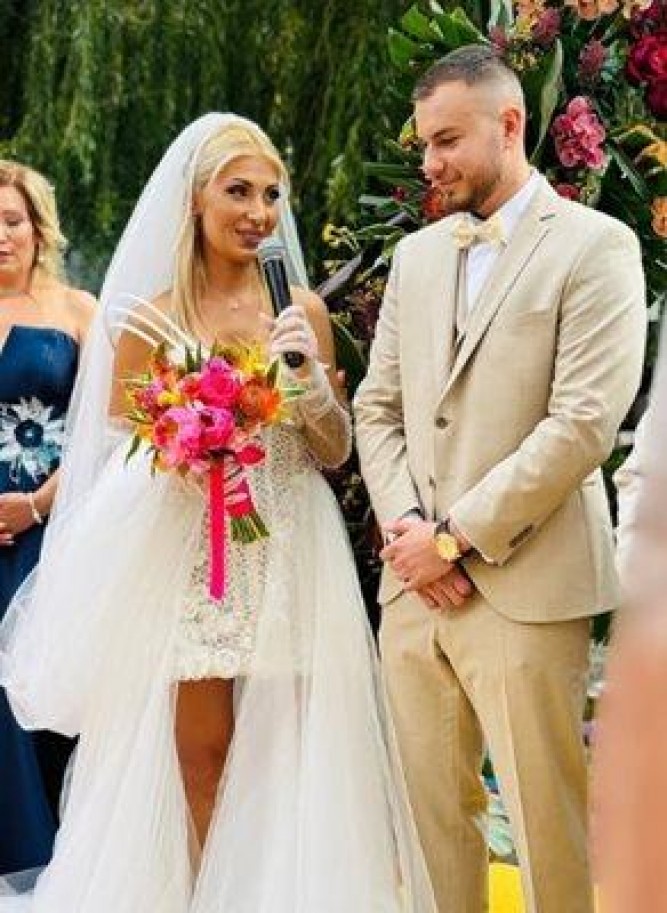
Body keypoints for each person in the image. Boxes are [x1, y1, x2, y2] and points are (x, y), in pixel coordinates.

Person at [0, 114, 436, 912]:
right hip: (191, 555)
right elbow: (115, 461)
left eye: (271, 195)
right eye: (238, 192)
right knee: (201, 755)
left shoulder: (297, 308)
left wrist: (306, 377)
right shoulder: (145, 321)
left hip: (290, 542)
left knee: (288, 751)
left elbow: (333, 448)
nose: (258, 212)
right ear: (195, 201)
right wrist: (186, 437)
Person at [353, 45, 646, 913]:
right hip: (413, 590)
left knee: (545, 827)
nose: (429, 163)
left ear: (509, 124)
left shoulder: (597, 247)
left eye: (446, 141)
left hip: (527, 582)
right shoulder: (414, 258)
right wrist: (410, 531)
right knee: (432, 825)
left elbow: (582, 423)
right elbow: (377, 408)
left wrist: (453, 540)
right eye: (422, 145)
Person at [0, 160, 93, 875]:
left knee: (46, 684)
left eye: (12, 220)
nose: (1, 236)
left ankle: (58, 861)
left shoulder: (78, 311)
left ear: (38, 228)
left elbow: (107, 434)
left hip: (58, 532)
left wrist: (35, 505)